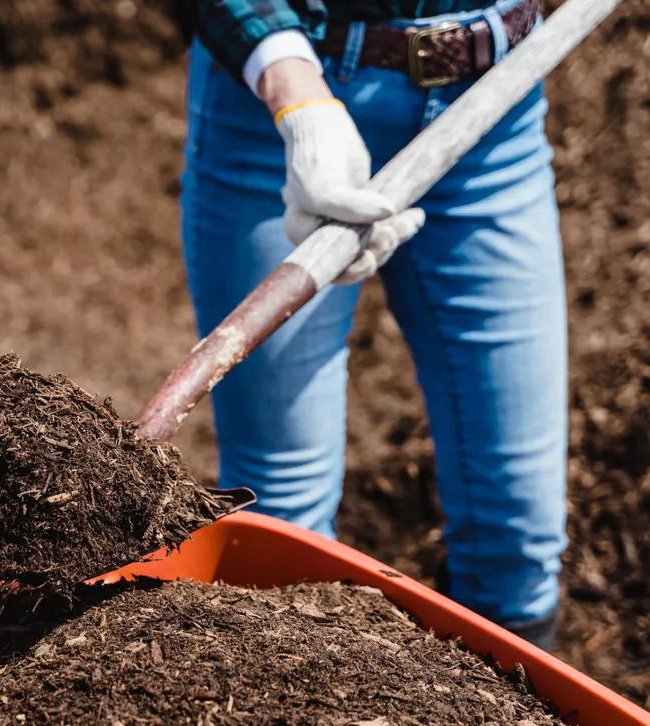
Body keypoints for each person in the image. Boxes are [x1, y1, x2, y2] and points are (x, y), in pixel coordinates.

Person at [180, 0, 566, 651]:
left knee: (518, 538)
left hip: (494, 104)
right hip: (283, 107)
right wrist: (297, 99)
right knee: (283, 525)